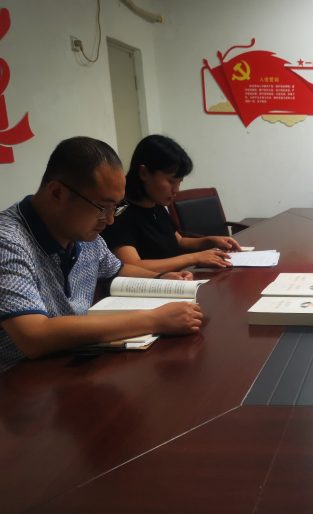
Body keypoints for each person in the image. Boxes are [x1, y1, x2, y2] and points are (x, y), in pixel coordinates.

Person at [0, 137, 203, 374]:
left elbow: (117, 269)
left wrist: (160, 279)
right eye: (102, 207)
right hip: (18, 380)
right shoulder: (8, 241)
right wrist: (155, 320)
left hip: (71, 363)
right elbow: (34, 336)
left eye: (115, 207)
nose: (110, 220)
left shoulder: (83, 234)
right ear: (57, 193)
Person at [102, 134, 241, 273]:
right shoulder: (119, 213)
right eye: (171, 181)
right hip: (152, 284)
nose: (176, 190)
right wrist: (195, 258)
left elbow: (179, 241)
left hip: (176, 278)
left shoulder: (156, 205)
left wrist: (209, 241)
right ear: (144, 173)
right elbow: (132, 266)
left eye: (179, 182)